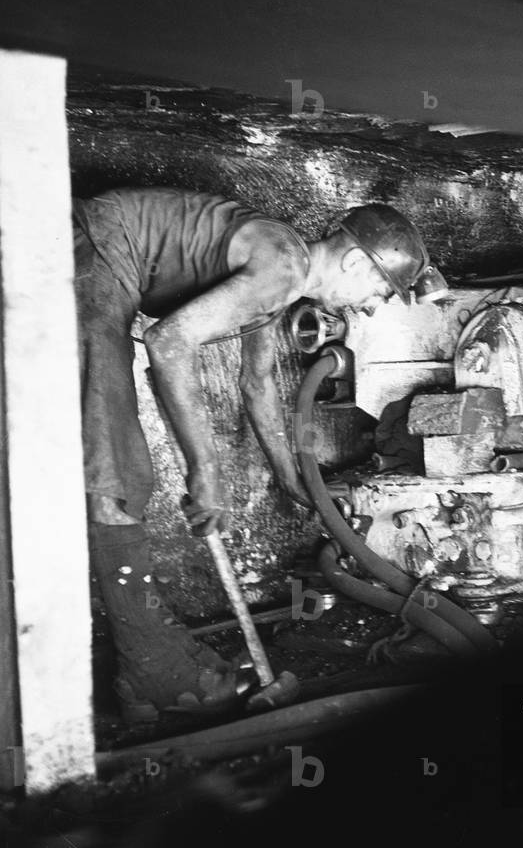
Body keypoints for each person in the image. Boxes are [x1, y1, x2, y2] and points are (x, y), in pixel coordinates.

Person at [73, 187, 439, 722]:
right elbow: (169, 341)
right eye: (382, 290)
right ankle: (151, 668)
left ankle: (153, 656)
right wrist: (208, 470)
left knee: (119, 467)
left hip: (105, 251)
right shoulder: (285, 267)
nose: (372, 306)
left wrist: (293, 480)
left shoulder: (284, 277)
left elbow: (258, 384)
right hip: (96, 249)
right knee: (117, 469)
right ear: (357, 261)